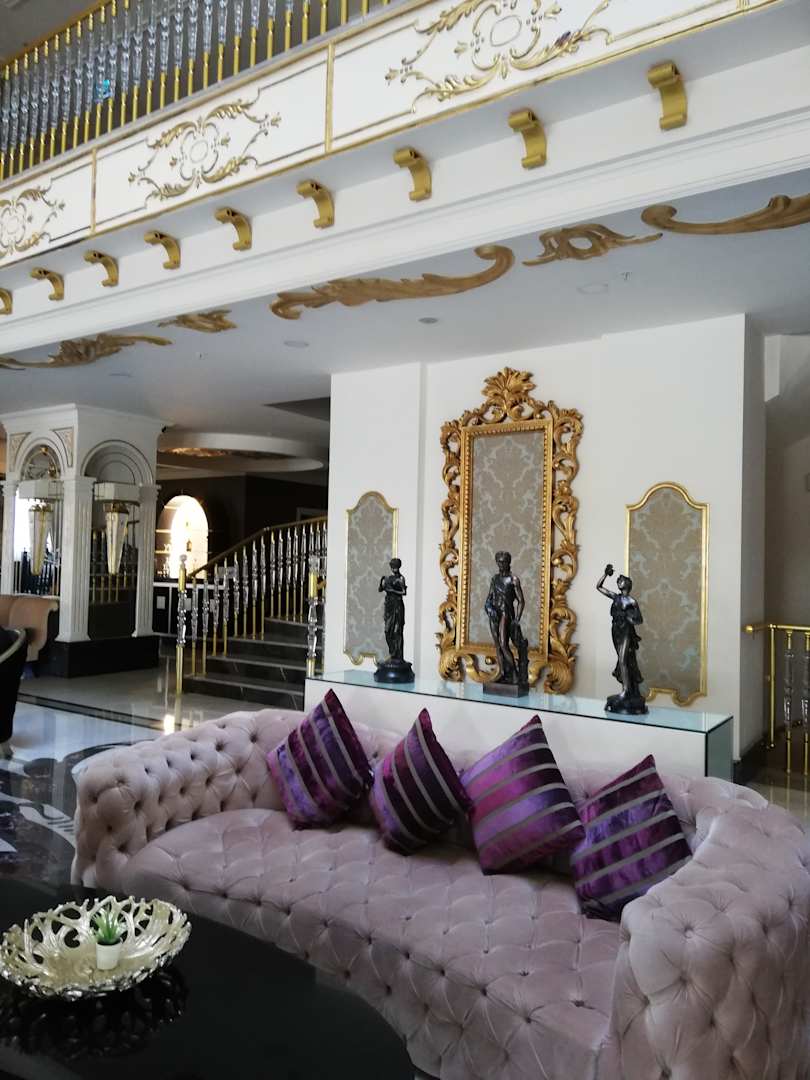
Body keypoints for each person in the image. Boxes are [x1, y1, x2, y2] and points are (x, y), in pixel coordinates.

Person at [596, 563, 647, 714]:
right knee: (621, 659)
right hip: (615, 630)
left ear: (628, 585)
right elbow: (599, 587)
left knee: (623, 659)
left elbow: (639, 619)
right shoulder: (616, 597)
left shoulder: (631, 602)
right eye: (618, 580)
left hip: (626, 631)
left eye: (621, 580)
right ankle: (627, 689)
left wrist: (629, 618)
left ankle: (626, 691)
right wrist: (605, 574)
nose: (619, 581)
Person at [485, 551, 529, 686]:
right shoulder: (494, 579)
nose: (501, 564)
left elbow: (521, 601)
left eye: (503, 561)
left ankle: (515, 674)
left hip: (506, 613)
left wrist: (517, 619)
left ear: (508, 562)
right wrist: (489, 608)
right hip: (494, 614)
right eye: (499, 561)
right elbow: (488, 599)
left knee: (504, 644)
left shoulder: (513, 579)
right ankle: (503, 673)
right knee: (498, 646)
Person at [378, 558, 406, 661]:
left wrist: (392, 590)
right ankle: (392, 652)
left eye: (396, 567)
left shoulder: (401, 578)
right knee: (387, 631)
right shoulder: (388, 578)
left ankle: (398, 656)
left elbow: (404, 592)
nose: (394, 569)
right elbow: (380, 589)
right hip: (389, 606)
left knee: (397, 632)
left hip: (398, 606)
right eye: (393, 567)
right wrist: (381, 582)